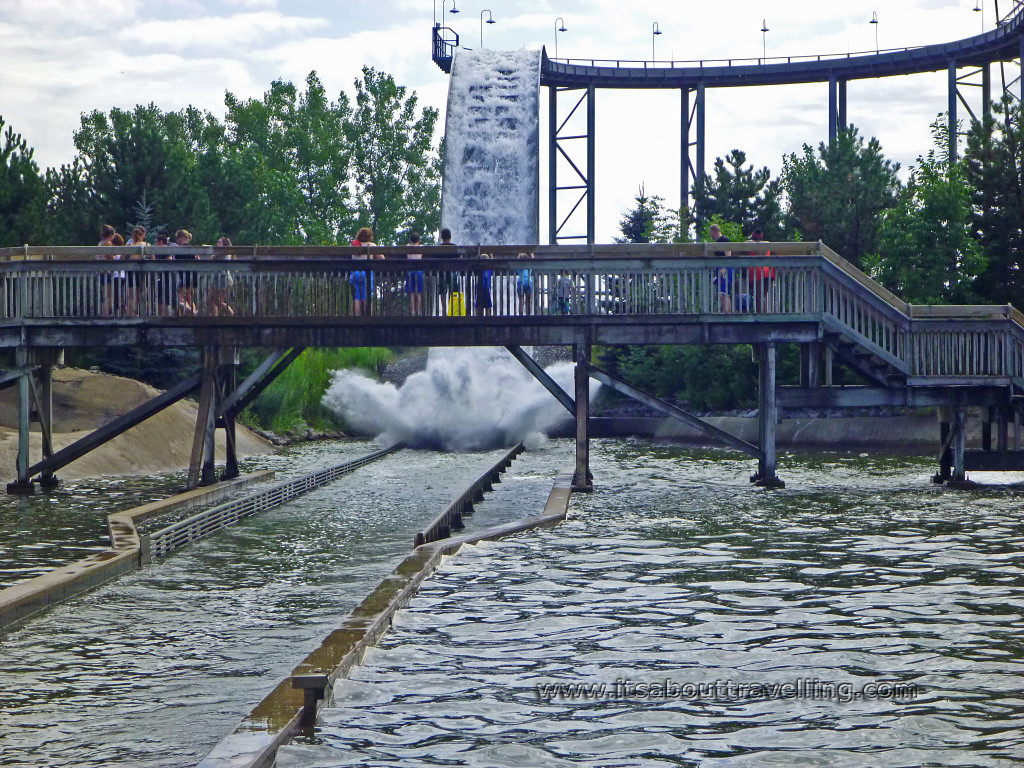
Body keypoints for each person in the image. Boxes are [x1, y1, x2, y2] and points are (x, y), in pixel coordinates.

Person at [171, 229, 199, 315]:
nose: (176, 240)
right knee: (189, 296)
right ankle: (193, 313)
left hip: (183, 275)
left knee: (180, 297)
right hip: (193, 275)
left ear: (181, 237)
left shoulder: (182, 249)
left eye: (177, 238)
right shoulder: (192, 248)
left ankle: (191, 313)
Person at [350, 227, 376, 316]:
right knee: (366, 296)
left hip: (355, 272)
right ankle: (368, 317)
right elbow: (382, 257)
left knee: (356, 296)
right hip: (367, 273)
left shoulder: (353, 245)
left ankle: (357, 317)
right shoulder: (372, 245)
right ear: (370, 236)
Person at [747, 228, 774, 313]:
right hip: (768, 271)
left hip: (757, 271)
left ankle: (760, 314)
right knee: (764, 295)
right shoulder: (767, 244)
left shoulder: (750, 244)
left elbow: (745, 244)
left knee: (758, 295)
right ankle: (765, 313)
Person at [207, 235, 235, 317]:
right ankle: (214, 318)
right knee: (209, 300)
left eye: (219, 242)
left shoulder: (224, 251)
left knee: (218, 301)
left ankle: (231, 315)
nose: (217, 244)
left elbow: (213, 257)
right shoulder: (220, 252)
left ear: (224, 244)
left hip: (223, 277)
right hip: (217, 277)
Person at [709, 223, 733, 313]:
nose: (710, 235)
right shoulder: (718, 242)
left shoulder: (724, 240)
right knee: (721, 293)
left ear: (713, 231)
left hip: (724, 269)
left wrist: (723, 268)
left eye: (710, 233)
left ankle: (726, 313)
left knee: (724, 293)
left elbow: (728, 254)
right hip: (720, 268)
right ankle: (724, 311)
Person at [404, 231, 424, 316]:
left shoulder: (408, 247)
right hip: (419, 270)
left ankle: (412, 311)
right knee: (418, 292)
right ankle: (418, 311)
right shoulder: (421, 248)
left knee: (412, 292)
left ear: (410, 240)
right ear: (419, 241)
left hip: (410, 270)